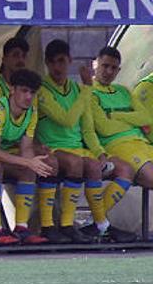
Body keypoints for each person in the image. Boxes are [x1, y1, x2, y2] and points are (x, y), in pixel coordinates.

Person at [37, 40, 135, 243]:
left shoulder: (76, 89)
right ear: (46, 63)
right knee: (76, 163)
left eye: (62, 61)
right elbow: (67, 119)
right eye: (53, 62)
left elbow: (87, 128)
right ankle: (58, 226)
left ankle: (99, 225)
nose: (58, 67)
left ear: (70, 61)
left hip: (77, 150)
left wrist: (100, 153)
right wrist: (87, 89)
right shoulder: (42, 89)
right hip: (53, 148)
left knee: (94, 166)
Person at [0, 69, 55, 245]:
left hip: (3, 154)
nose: (28, 96)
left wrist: (31, 164)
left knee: (29, 169)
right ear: (12, 90)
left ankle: (21, 228)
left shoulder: (31, 112)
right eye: (24, 91)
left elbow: (26, 147)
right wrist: (28, 161)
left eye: (32, 92)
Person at [90, 46, 153, 190]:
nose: (109, 72)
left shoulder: (123, 91)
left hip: (142, 143)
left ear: (118, 70)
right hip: (117, 145)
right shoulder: (89, 92)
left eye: (114, 68)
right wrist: (132, 121)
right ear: (95, 64)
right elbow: (104, 128)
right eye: (105, 66)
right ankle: (99, 213)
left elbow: (146, 118)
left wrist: (115, 115)